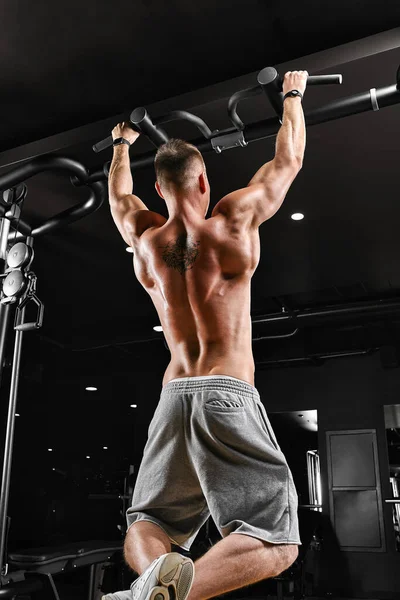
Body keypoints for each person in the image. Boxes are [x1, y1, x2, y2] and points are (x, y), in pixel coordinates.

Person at [104, 71, 308, 600]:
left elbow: (117, 197)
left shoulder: (144, 239)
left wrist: (121, 146)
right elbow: (288, 163)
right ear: (202, 182)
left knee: (148, 521)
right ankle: (167, 597)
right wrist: (293, 95)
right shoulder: (233, 223)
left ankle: (150, 586)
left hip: (173, 392)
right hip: (226, 389)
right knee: (277, 540)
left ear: (160, 187)